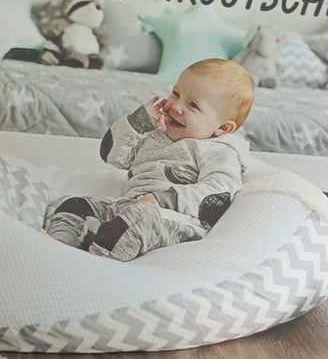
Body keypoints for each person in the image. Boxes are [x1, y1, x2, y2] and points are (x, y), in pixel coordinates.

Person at [44, 57, 255, 261]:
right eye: (176, 94)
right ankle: (55, 246)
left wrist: (163, 199)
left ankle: (88, 262)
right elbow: (112, 155)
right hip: (127, 208)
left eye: (193, 106)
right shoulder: (157, 134)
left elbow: (217, 194)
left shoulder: (219, 151)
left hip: (173, 219)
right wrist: (138, 123)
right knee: (76, 205)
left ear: (222, 128)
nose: (175, 107)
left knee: (137, 221)